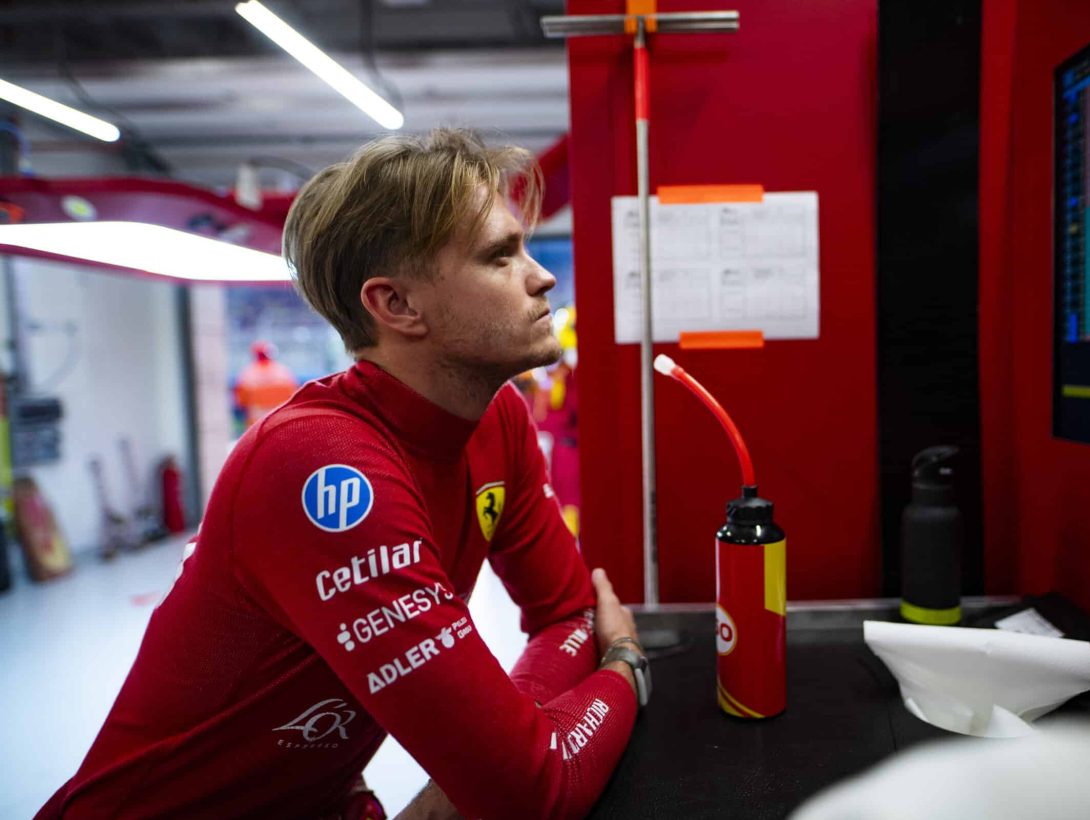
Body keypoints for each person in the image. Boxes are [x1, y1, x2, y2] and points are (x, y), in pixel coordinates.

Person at [38, 129, 647, 819]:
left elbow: (566, 615)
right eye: (499, 257)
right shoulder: (323, 468)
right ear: (397, 306)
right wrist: (623, 667)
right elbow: (535, 792)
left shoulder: (497, 419)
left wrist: (519, 746)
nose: (541, 277)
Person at [233, 340, 299, 428]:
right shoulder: (284, 372)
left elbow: (241, 402)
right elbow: (294, 397)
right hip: (281, 421)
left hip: (256, 424)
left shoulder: (247, 374)